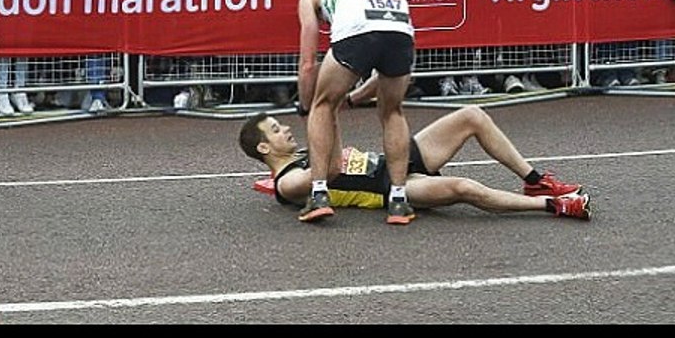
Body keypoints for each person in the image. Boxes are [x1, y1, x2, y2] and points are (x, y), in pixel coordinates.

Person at [239, 106, 589, 220]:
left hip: (395, 159)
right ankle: (551, 204)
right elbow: (328, 172)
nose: (285, 128)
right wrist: (329, 111)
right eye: (275, 130)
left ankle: (535, 178)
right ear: (266, 149)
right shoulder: (287, 183)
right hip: (394, 188)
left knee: (472, 116)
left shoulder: (294, 159)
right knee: (464, 188)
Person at [293, 0, 416, 225]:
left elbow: (307, 64)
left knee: (323, 105)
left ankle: (318, 195)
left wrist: (306, 106)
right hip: (398, 26)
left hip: (356, 25)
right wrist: (352, 98)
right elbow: (383, 74)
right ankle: (398, 201)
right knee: (393, 111)